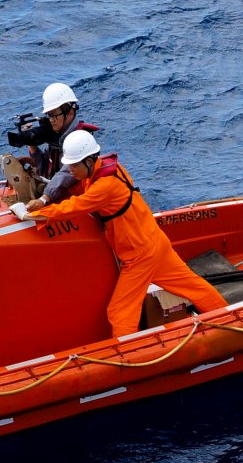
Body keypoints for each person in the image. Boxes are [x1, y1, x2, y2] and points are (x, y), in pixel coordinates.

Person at [18, 131, 227, 338]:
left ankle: (131, 356)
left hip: (139, 257)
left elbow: (74, 207)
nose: (70, 170)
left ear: (90, 162)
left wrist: (35, 213)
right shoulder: (111, 171)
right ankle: (228, 319)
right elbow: (82, 190)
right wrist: (49, 192)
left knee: (120, 313)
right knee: (195, 287)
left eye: (74, 165)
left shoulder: (104, 187)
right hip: (153, 242)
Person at [29, 83, 102, 206]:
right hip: (61, 201)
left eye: (54, 115)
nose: (51, 120)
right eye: (49, 115)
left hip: (78, 204)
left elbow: (67, 173)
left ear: (70, 113)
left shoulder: (80, 140)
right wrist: (33, 146)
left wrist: (44, 198)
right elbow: (46, 173)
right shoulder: (57, 139)